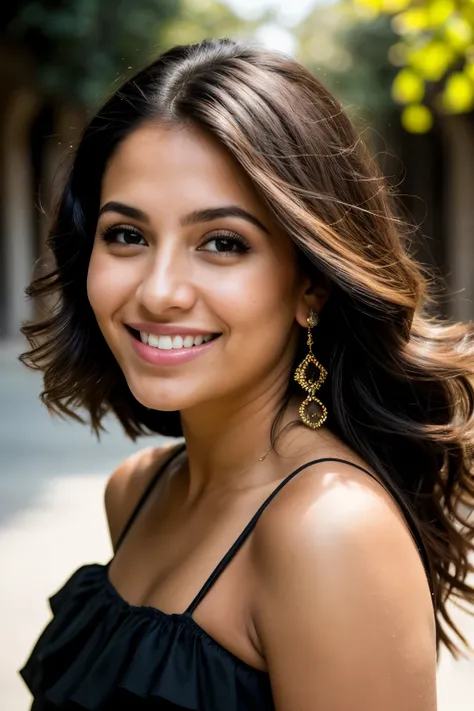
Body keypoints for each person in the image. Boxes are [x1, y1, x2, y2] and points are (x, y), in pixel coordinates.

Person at [19, 38, 474, 711]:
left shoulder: (331, 532)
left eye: (223, 243)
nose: (160, 290)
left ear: (311, 284)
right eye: (127, 235)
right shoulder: (138, 491)